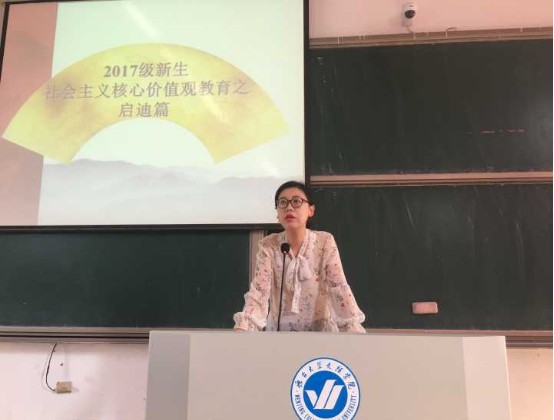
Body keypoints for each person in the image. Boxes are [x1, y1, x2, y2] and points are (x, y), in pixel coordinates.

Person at [233, 181, 365, 332]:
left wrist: (353, 328)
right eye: (283, 202)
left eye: (296, 201)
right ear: (277, 213)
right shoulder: (269, 245)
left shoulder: (324, 242)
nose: (289, 207)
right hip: (278, 336)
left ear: (311, 210)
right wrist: (243, 328)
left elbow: (338, 287)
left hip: (321, 335)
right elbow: (259, 291)